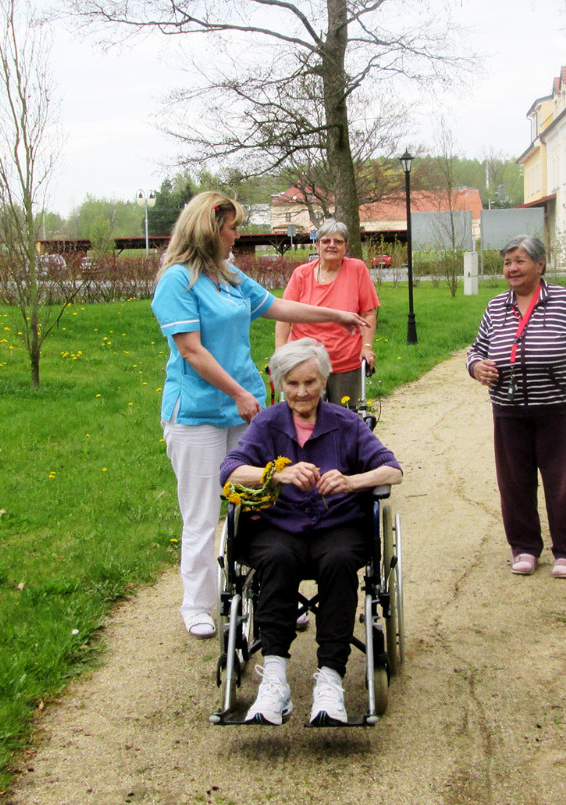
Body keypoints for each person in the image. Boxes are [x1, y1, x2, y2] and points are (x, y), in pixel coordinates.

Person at [152, 192, 368, 640]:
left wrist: (336, 316)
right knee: (202, 513)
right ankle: (198, 605)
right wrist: (237, 393)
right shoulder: (177, 281)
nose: (237, 235)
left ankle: (271, 594)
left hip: (244, 408)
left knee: (262, 502)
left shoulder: (229, 276)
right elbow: (191, 350)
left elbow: (278, 306)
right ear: (211, 230)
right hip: (198, 414)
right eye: (232, 227)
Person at [219, 338, 403, 726]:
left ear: (324, 380)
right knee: (276, 559)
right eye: (292, 383)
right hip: (278, 526)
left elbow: (392, 470)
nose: (302, 392)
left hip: (337, 526)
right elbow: (230, 471)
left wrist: (351, 481)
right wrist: (277, 474)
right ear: (279, 384)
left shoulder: (346, 423)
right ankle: (274, 680)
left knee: (338, 561)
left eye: (310, 382)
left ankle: (331, 679)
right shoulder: (267, 424)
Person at [466, 234, 566, 580]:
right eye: (507, 262)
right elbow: (476, 349)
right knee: (514, 484)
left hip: (558, 410)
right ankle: (524, 547)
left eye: (520, 260)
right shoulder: (496, 306)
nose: (512, 268)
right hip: (509, 411)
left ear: (540, 265)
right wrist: (477, 366)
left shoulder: (565, 302)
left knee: (563, 484)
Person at [275, 219, 380, 406]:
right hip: (305, 361)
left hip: (346, 360)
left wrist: (367, 347)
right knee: (307, 414)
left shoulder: (357, 269)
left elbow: (368, 313)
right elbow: (284, 315)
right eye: (326, 241)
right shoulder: (301, 274)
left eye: (338, 241)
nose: (332, 245)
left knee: (346, 415)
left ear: (346, 247)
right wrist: (280, 350)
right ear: (317, 245)